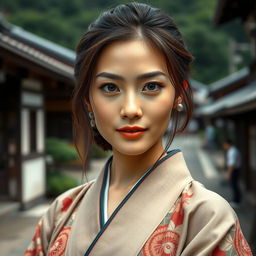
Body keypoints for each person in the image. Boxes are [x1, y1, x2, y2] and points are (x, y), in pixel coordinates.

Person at [24, 2, 252, 255]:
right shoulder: (61, 211)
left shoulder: (207, 219)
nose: (130, 109)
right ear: (88, 99)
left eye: (151, 86)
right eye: (110, 87)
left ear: (178, 94)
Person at [223, 139, 242, 207]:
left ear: (228, 144)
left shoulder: (232, 151)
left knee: (234, 185)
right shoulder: (233, 150)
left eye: (225, 145)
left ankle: (236, 201)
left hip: (234, 170)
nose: (224, 146)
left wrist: (229, 174)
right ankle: (237, 199)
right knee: (234, 185)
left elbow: (232, 164)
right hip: (235, 169)